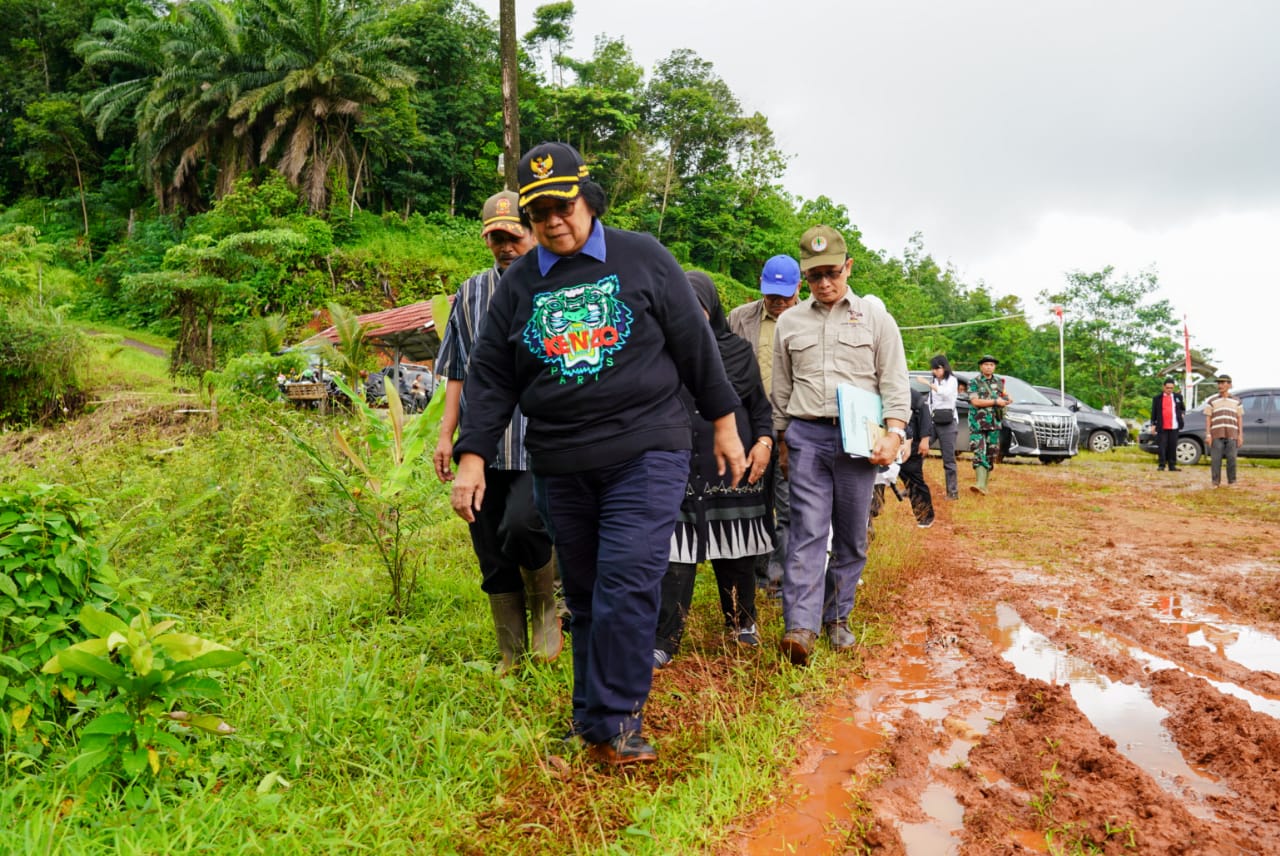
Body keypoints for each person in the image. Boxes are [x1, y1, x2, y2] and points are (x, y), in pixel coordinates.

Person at [449, 142, 746, 766]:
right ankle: (593, 719)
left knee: (625, 581)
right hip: (560, 460)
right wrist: (472, 456)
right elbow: (492, 377)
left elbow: (696, 345)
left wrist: (723, 423)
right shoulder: (519, 284)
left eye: (564, 205)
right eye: (539, 213)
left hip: (646, 451)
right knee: (583, 595)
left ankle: (619, 721)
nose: (554, 221)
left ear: (589, 198)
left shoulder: (641, 258)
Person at [433, 190, 560, 674]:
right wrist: (447, 435)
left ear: (530, 232)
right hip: (481, 447)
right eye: (495, 239)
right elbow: (457, 370)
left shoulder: (557, 284)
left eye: (513, 236)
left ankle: (547, 605)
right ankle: (511, 651)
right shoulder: (470, 292)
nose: (505, 246)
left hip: (537, 442)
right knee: (488, 544)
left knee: (524, 523)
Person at [771, 225, 910, 666]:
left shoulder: (876, 318)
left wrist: (894, 433)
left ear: (848, 267)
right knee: (807, 532)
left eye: (832, 273)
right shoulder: (790, 322)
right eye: (815, 277)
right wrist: (780, 441)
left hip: (859, 442)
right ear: (803, 280)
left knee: (851, 536)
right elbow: (781, 388)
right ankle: (801, 627)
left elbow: (895, 382)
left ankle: (837, 617)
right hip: (807, 437)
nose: (825, 284)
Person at [654, 271, 775, 668]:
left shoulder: (738, 351)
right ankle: (665, 638)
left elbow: (759, 408)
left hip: (734, 470)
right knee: (675, 555)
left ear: (712, 309)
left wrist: (763, 443)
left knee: (737, 549)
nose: (689, 315)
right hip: (679, 469)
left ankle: (741, 624)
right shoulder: (657, 352)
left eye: (697, 307)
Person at [728, 255, 802, 596]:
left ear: (799, 287)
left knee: (788, 509)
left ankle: (779, 581)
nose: (779, 301)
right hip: (751, 430)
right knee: (754, 505)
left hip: (794, 431)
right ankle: (756, 574)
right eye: (772, 294)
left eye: (786, 295)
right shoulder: (739, 319)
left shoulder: (809, 319)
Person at [870, 386, 935, 527]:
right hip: (882, 441)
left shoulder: (912, 394)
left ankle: (924, 516)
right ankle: (873, 509)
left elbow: (925, 416)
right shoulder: (873, 390)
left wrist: (925, 439)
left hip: (909, 443)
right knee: (877, 477)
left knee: (913, 480)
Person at [968, 355, 1010, 495]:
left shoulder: (999, 382)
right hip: (977, 423)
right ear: (981, 366)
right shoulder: (974, 382)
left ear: (994, 367)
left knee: (991, 454)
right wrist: (995, 402)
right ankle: (979, 484)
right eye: (986, 364)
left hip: (994, 423)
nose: (988, 367)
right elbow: (975, 402)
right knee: (979, 451)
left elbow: (1006, 397)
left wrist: (1006, 401)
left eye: (991, 365)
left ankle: (984, 486)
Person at [927, 354, 960, 499]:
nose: (935, 371)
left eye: (937, 368)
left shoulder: (952, 381)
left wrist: (932, 386)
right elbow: (930, 402)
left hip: (948, 423)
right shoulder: (934, 381)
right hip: (933, 421)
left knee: (948, 458)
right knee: (918, 451)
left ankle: (952, 492)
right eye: (933, 369)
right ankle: (912, 486)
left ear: (944, 367)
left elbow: (946, 394)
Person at [1202, 374, 1244, 487]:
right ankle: (1215, 482)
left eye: (1223, 383)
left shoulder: (1237, 401)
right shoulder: (1212, 401)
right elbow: (1208, 418)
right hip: (1216, 433)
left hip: (1232, 434)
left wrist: (1240, 435)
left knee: (1231, 459)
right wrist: (1208, 434)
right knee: (1216, 459)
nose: (1220, 385)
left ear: (1229, 385)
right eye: (1218, 383)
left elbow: (1239, 418)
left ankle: (1232, 482)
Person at [1149, 378, 1186, 472]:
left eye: (1171, 388)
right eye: (1167, 388)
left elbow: (1182, 408)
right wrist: (1153, 424)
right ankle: (1161, 465)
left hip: (1174, 425)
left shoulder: (1178, 397)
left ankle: (1172, 465)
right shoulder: (1157, 398)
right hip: (1162, 426)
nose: (1169, 390)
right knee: (1162, 446)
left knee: (1172, 446)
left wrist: (1182, 414)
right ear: (1163, 387)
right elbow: (1154, 412)